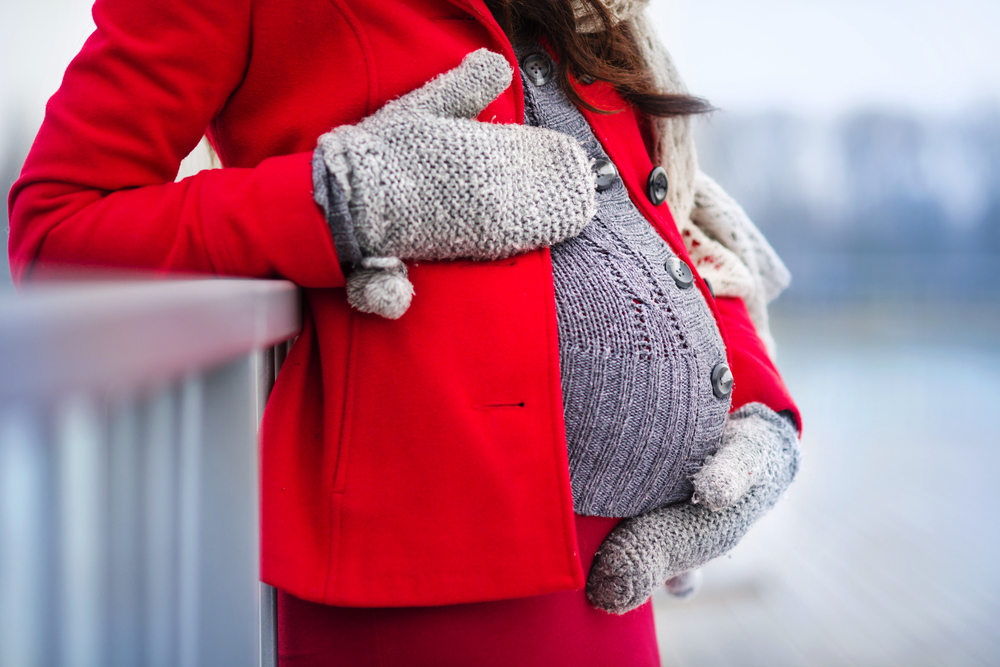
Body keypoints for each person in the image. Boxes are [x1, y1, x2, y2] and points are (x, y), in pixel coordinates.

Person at [8, 0, 801, 664]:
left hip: (616, 583)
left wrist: (761, 416)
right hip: (421, 592)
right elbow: (54, 230)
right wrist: (342, 200)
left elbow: (662, 217)